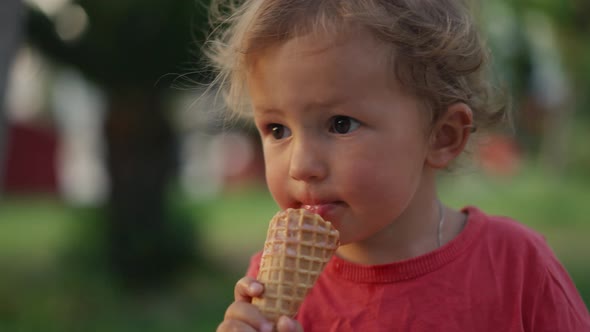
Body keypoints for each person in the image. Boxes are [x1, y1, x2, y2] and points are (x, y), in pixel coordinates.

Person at [205, 0, 590, 331]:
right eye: (277, 129)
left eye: (340, 124)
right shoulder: (268, 288)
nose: (301, 165)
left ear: (442, 136)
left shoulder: (516, 266)